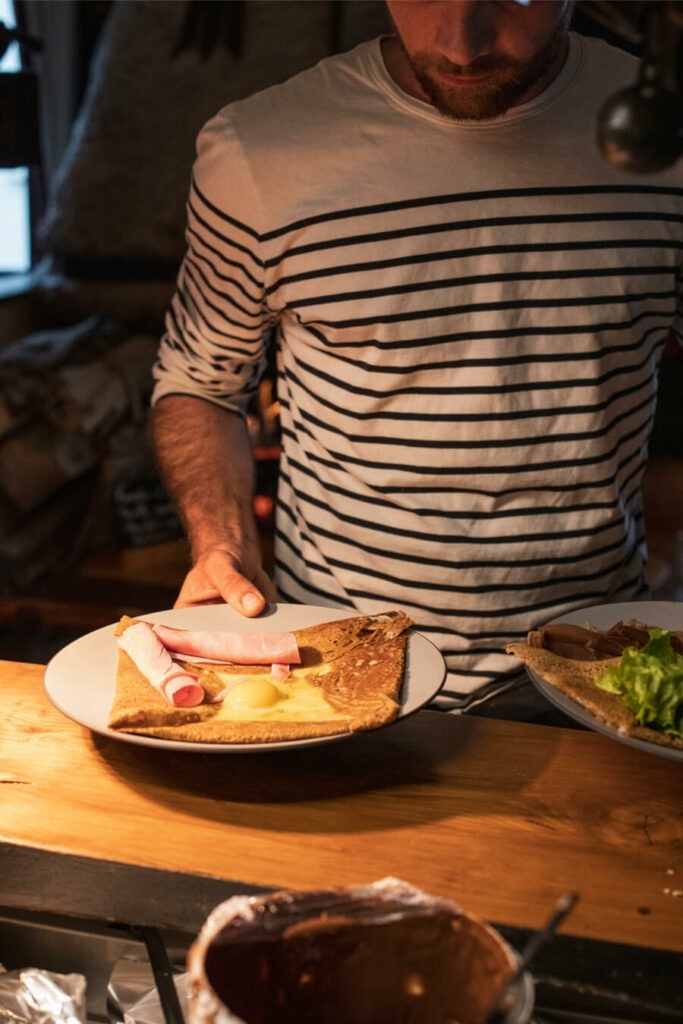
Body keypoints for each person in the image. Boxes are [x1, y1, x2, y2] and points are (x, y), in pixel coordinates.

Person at [151, 0, 683, 714]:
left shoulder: (665, 140)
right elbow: (200, 384)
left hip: (594, 671)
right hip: (331, 669)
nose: (460, 45)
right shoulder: (259, 151)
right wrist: (223, 545)